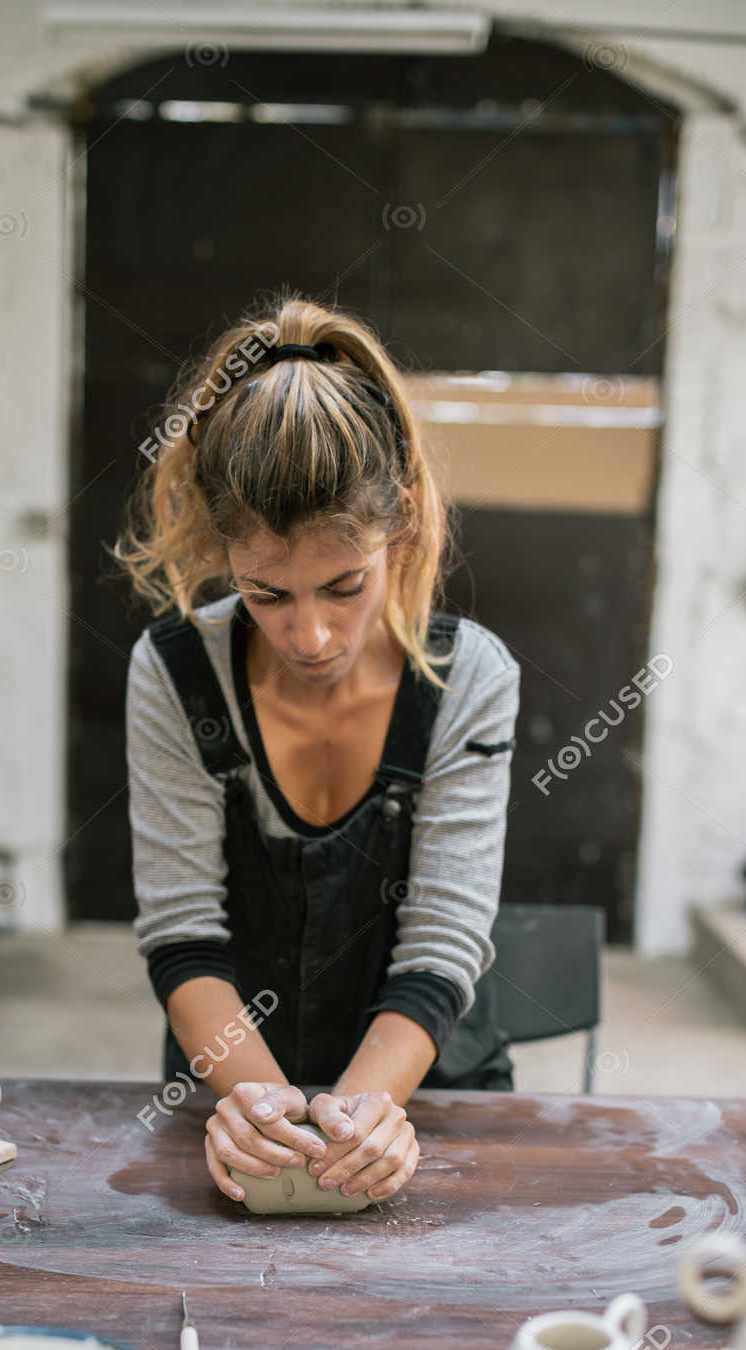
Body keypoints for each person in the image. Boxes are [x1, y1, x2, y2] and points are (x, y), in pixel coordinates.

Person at [118, 291, 520, 1208]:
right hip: (231, 1100)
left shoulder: (470, 678)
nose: (310, 636)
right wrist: (260, 1107)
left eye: (344, 587)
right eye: (267, 594)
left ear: (403, 522)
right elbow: (183, 935)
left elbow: (443, 941)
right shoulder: (177, 675)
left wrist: (361, 1119)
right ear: (226, 554)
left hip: (431, 1097)